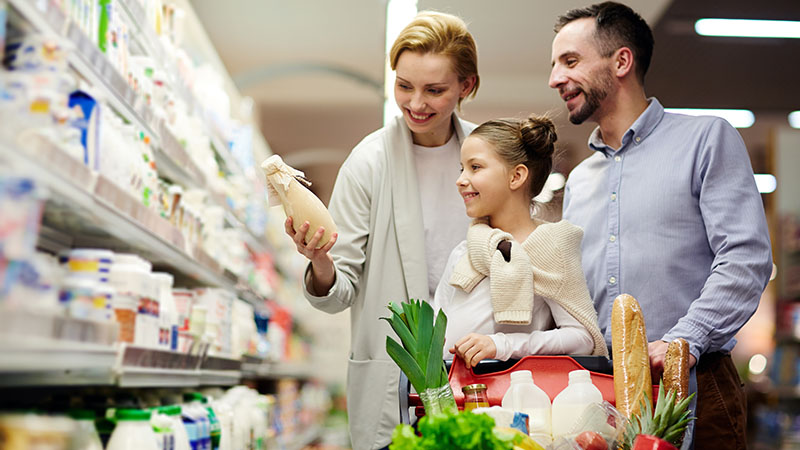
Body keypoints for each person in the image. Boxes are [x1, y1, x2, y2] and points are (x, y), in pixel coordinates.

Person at [548, 2, 772, 448]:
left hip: (695, 389)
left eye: (569, 61)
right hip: (603, 394)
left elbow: (746, 260)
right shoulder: (579, 182)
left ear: (622, 61)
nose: (554, 78)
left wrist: (681, 342)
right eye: (554, 65)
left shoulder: (706, 139)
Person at [284, 11, 479, 450]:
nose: (415, 103)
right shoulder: (368, 162)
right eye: (404, 86)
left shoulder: (487, 158)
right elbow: (339, 293)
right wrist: (320, 261)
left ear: (466, 86)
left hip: (474, 368)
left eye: (434, 90)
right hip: (396, 384)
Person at [433, 114, 608, 369]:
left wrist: (502, 344)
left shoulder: (550, 247)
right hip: (457, 397)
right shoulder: (464, 251)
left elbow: (582, 338)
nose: (461, 180)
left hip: (514, 397)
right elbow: (438, 332)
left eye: (475, 167)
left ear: (516, 177)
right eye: (462, 169)